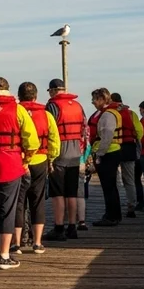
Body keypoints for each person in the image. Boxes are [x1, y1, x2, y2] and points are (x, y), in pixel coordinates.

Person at [0, 77, 38, 269]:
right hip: (10, 165)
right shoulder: (17, 109)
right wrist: (25, 161)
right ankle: (4, 255)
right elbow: (32, 142)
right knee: (8, 210)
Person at [13, 82, 59, 253]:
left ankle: (16, 243)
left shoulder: (15, 112)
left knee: (18, 202)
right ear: (35, 96)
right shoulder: (46, 115)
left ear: (19, 96)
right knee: (37, 201)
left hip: (19, 161)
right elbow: (54, 140)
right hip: (40, 160)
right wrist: (51, 158)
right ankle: (37, 242)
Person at [45, 79, 86, 241]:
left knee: (58, 193)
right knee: (71, 193)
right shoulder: (78, 106)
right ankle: (72, 227)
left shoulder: (52, 106)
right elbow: (84, 130)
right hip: (75, 154)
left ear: (53, 91)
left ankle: (59, 227)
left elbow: (49, 130)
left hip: (59, 153)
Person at [87, 88, 124, 226]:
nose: (93, 102)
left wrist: (99, 154)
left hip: (108, 153)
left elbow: (107, 137)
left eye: (94, 99)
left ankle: (111, 216)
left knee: (109, 187)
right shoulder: (110, 113)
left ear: (102, 99)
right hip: (112, 152)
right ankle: (113, 214)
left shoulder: (107, 115)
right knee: (110, 186)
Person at [109, 92, 144, 218]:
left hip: (113, 146)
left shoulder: (110, 113)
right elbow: (139, 131)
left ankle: (115, 205)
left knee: (114, 179)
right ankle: (131, 206)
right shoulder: (131, 113)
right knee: (129, 179)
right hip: (129, 146)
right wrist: (136, 140)